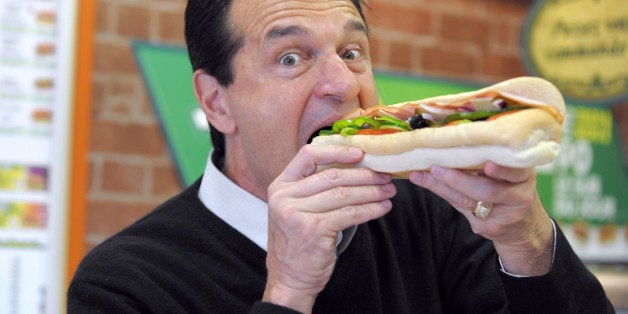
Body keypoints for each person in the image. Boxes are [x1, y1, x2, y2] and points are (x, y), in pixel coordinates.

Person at [67, 0, 614, 313]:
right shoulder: (122, 284)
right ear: (217, 102)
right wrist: (288, 290)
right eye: (291, 57)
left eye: (352, 53)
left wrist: (528, 242)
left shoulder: (438, 214)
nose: (341, 83)